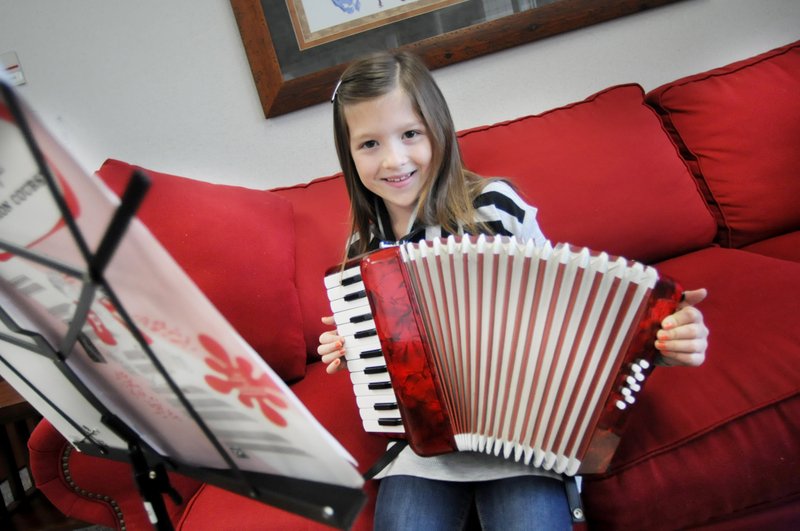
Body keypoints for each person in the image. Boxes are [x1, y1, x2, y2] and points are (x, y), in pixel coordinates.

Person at [318, 50, 709, 530]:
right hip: (423, 447)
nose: (394, 159)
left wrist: (662, 342)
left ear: (439, 128)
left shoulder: (496, 208)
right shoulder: (363, 247)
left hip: (527, 439)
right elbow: (390, 361)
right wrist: (356, 346)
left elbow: (574, 315)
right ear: (348, 154)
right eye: (370, 144)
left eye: (410, 134)